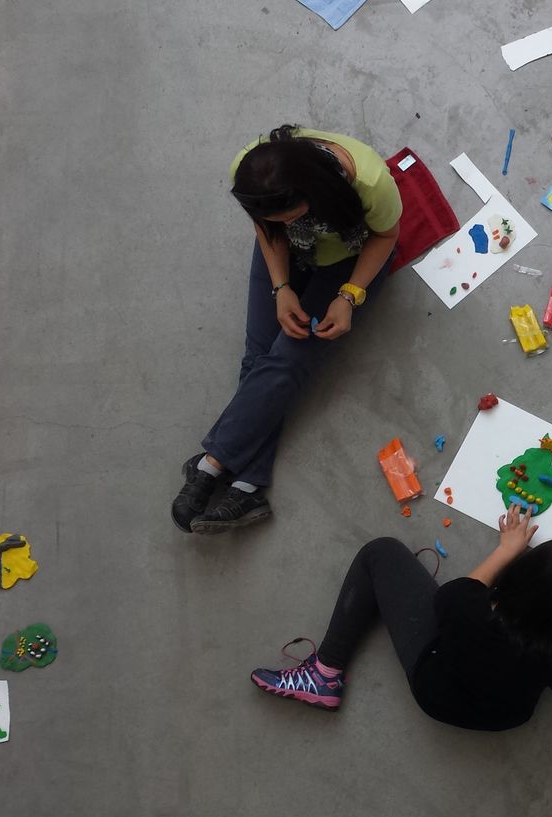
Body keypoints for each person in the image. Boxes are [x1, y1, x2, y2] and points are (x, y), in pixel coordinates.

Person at [171, 125, 402, 534]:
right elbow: (269, 230)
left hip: (350, 258)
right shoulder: (250, 173)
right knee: (260, 356)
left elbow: (387, 235)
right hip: (288, 252)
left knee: (288, 359)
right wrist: (281, 288)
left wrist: (349, 296)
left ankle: (211, 464)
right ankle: (248, 485)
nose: (285, 220)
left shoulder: (370, 182)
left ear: (314, 190)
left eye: (293, 215)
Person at [250, 504, 552, 730]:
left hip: (436, 691)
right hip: (502, 718)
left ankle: (324, 673)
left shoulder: (466, 606)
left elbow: (467, 588)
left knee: (380, 552)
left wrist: (507, 548)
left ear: (515, 577)